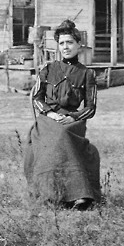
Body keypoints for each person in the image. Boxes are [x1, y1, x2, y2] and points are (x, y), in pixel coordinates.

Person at [24, 20, 101, 210]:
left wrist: (73, 117)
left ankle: (79, 195)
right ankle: (50, 194)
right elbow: (37, 98)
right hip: (47, 118)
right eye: (62, 43)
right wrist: (50, 113)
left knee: (64, 134)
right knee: (56, 136)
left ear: (78, 45)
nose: (65, 47)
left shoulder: (87, 74)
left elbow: (91, 107)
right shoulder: (48, 69)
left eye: (70, 43)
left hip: (72, 120)